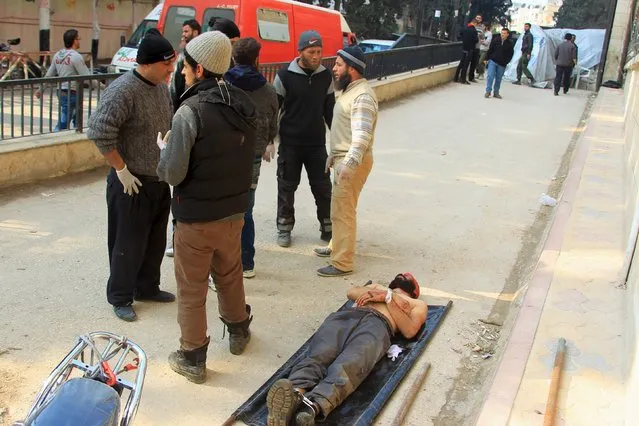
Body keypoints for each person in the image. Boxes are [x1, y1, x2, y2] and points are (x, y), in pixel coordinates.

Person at [156, 31, 257, 384]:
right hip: (233, 213)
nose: (182, 72)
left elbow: (172, 172)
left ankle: (193, 356)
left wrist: (163, 149)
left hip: (196, 219)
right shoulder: (243, 102)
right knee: (230, 275)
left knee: (192, 288)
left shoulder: (189, 111)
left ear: (199, 69)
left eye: (185, 66)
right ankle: (239, 331)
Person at [87, 29, 176, 322]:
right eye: (166, 64)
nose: (171, 69)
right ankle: (121, 296)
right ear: (148, 63)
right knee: (127, 243)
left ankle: (147, 287)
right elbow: (100, 133)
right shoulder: (123, 90)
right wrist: (121, 169)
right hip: (131, 182)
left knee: (154, 241)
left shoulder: (161, 87)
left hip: (158, 180)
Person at [266, 273, 428, 426]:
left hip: (378, 326)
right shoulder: (377, 286)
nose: (403, 276)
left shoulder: (416, 303)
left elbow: (409, 330)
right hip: (348, 315)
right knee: (319, 354)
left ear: (413, 291)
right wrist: (381, 293)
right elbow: (351, 292)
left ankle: (311, 407)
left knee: (349, 365)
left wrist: (387, 298)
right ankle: (292, 395)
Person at [314, 47, 377, 278]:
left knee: (343, 211)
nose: (334, 68)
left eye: (339, 64)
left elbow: (361, 137)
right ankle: (336, 246)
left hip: (352, 162)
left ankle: (342, 262)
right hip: (344, 159)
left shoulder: (362, 96)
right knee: (340, 208)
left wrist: (348, 164)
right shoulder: (351, 90)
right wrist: (335, 155)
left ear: (353, 69)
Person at [273, 30, 335, 248]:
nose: (317, 56)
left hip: (316, 144)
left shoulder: (325, 76)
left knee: (322, 187)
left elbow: (330, 111)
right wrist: (270, 140)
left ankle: (327, 227)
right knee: (287, 187)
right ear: (300, 52)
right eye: (311, 52)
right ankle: (284, 227)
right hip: (290, 144)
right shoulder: (283, 76)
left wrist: (337, 143)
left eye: (319, 51)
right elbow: (274, 109)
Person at [225, 37, 279, 279]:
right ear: (257, 59)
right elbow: (273, 126)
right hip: (252, 156)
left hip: (224, 154)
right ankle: (247, 262)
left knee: (223, 209)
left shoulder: (223, 85)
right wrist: (267, 141)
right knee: (246, 210)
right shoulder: (267, 90)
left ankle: (225, 262)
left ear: (234, 58)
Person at [37, 29, 92, 131]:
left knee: (76, 118)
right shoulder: (76, 57)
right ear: (74, 41)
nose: (79, 41)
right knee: (64, 121)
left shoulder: (58, 55)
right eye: (78, 39)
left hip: (61, 91)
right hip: (72, 92)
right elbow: (87, 77)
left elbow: (49, 74)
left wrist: (41, 89)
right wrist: (103, 87)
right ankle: (56, 138)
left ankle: (75, 138)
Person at [170, 19, 201, 112]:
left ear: (195, 32)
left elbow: (174, 88)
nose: (183, 34)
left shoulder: (184, 56)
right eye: (183, 31)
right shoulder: (205, 52)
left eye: (186, 31)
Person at [484, 28, 515, 100]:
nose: (502, 35)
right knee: (490, 76)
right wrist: (486, 58)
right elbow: (490, 49)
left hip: (502, 64)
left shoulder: (510, 44)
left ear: (507, 34)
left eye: (504, 33)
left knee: (498, 78)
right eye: (502, 33)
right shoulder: (496, 40)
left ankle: (496, 92)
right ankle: (488, 91)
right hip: (493, 61)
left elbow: (510, 54)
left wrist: (506, 62)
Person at [453, 19, 479, 85]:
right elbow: (476, 40)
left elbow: (459, 36)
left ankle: (456, 78)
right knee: (466, 65)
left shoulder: (465, 29)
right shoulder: (474, 30)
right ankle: (463, 79)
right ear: (475, 23)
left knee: (461, 63)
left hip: (464, 48)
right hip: (470, 49)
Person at [468, 15, 483, 83]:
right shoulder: (472, 26)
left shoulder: (482, 27)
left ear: (481, 20)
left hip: (477, 46)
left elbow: (483, 37)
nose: (478, 19)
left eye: (479, 18)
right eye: (477, 18)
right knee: (467, 61)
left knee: (474, 62)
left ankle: (471, 77)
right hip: (470, 46)